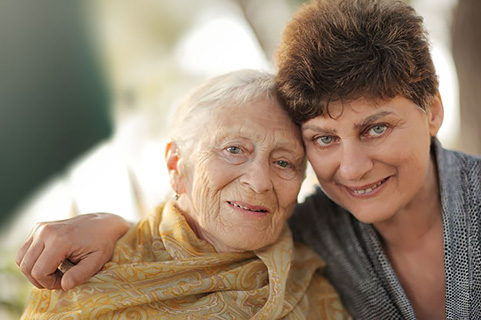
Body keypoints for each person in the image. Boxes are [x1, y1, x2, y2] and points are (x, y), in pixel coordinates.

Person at [17, 0, 481, 319]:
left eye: (376, 128)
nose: (353, 166)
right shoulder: (312, 230)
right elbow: (205, 231)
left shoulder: (309, 249)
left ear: (434, 110)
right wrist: (118, 230)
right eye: (323, 139)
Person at [19, 69, 349, 319]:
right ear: (177, 164)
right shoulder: (89, 281)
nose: (260, 181)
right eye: (233, 149)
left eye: (283, 162)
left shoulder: (319, 268)